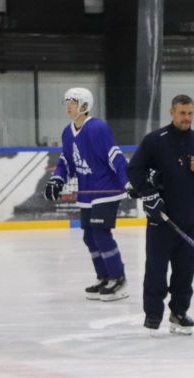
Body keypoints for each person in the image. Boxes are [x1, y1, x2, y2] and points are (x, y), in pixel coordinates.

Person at [126, 94, 194, 335]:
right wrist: (148, 195)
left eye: (190, 113)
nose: (186, 118)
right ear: (172, 112)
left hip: (190, 219)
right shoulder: (154, 141)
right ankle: (153, 315)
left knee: (184, 271)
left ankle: (179, 312)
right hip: (162, 219)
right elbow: (134, 170)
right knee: (156, 270)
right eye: (182, 113)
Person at [44, 88, 129, 301]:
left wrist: (127, 181)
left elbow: (114, 155)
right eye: (67, 102)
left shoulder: (97, 127)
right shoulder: (67, 132)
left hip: (106, 189)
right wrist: (57, 179)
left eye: (72, 102)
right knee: (89, 237)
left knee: (100, 233)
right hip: (86, 191)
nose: (68, 106)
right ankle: (104, 277)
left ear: (84, 105)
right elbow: (66, 161)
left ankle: (118, 279)